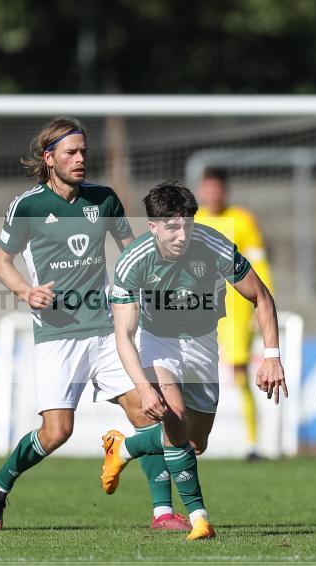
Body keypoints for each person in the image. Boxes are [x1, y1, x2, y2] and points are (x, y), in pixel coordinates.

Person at [0, 117, 189, 532]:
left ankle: (162, 513)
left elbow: (130, 252)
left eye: (83, 152)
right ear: (49, 157)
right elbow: (1, 262)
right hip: (57, 334)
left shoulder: (104, 199)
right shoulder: (28, 206)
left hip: (108, 331)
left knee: (147, 411)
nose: (79, 159)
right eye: (70, 152)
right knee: (57, 432)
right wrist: (26, 291)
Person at [100, 181, 287, 540]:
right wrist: (143, 387)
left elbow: (261, 297)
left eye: (187, 224)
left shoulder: (214, 245)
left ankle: (122, 448)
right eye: (172, 227)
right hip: (159, 342)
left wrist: (272, 356)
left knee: (194, 442)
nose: (182, 235)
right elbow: (123, 334)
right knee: (176, 419)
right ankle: (200, 518)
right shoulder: (132, 262)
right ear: (153, 226)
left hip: (203, 342)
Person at [194, 167, 275, 460]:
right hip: (200, 307)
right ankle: (189, 437)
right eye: (208, 188)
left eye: (218, 188)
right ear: (202, 190)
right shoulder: (194, 219)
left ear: (225, 191)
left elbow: (258, 262)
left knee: (240, 375)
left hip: (236, 310)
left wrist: (262, 302)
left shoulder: (242, 219)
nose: (213, 193)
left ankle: (252, 443)